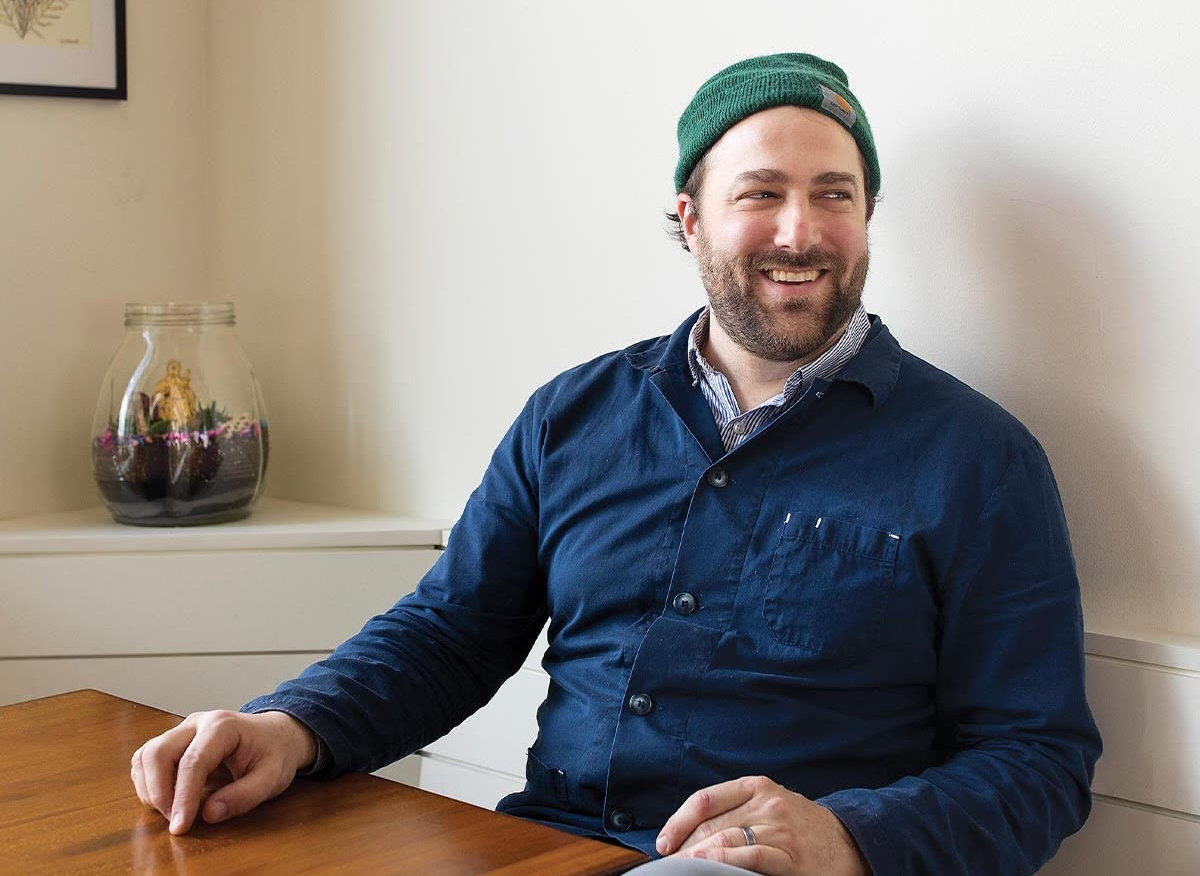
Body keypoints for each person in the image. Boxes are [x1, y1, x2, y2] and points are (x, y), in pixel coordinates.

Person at [131, 53, 1101, 876]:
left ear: (866, 216)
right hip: (547, 846)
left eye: (834, 196)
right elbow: (451, 632)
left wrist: (845, 835)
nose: (800, 231)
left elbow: (1036, 759)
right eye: (760, 193)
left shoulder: (981, 459)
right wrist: (291, 730)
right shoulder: (574, 414)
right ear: (690, 216)